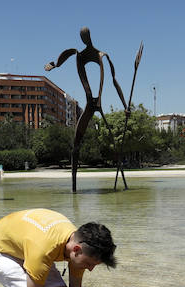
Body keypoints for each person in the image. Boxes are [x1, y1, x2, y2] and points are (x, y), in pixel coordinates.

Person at [45, 27, 128, 192]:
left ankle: (124, 183)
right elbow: (66, 55)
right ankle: (74, 188)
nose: (84, 40)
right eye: (82, 37)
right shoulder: (79, 55)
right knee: (76, 144)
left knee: (114, 143)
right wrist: (55, 64)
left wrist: (125, 106)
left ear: (89, 36)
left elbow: (114, 81)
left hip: (99, 103)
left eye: (85, 36)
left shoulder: (102, 56)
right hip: (89, 105)